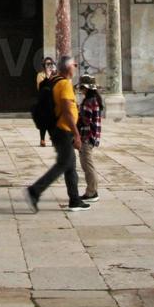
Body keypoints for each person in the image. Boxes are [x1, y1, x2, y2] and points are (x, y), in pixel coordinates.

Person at [25, 55, 89, 213]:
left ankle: (74, 200)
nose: (76, 67)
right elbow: (67, 111)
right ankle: (34, 190)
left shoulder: (54, 80)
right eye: (74, 65)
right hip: (64, 130)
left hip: (57, 129)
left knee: (70, 166)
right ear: (68, 67)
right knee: (63, 164)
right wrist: (77, 134)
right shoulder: (65, 84)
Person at [76, 74, 104, 204]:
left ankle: (92, 192)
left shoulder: (89, 101)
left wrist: (76, 112)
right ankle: (92, 190)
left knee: (87, 165)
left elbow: (86, 120)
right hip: (91, 136)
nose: (81, 90)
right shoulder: (94, 99)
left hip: (87, 136)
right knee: (87, 164)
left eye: (82, 88)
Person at [33, 57, 56, 146]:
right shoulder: (40, 75)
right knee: (43, 121)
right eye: (47, 64)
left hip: (52, 101)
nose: (49, 65)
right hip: (43, 101)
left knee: (53, 121)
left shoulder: (55, 75)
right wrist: (48, 76)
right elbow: (41, 87)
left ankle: (53, 138)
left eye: (50, 63)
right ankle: (42, 139)